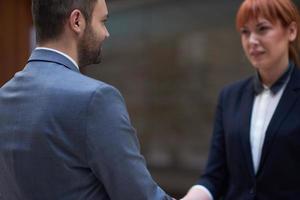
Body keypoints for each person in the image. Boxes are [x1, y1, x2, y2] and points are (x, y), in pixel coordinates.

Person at [0, 0, 173, 199]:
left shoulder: (3, 97)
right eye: (102, 21)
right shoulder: (96, 99)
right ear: (77, 21)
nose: (106, 33)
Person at [181, 0, 300, 199]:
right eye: (245, 32)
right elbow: (214, 176)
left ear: (291, 31)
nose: (252, 40)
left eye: (262, 29)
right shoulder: (229, 96)